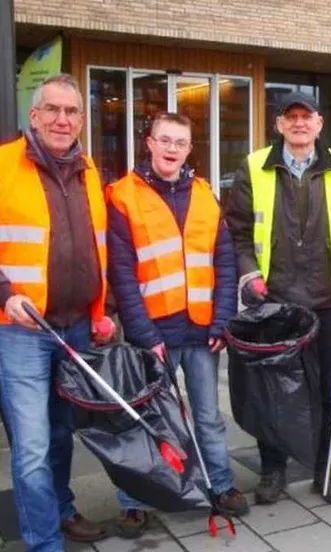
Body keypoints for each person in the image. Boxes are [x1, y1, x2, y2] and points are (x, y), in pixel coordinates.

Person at [107, 112, 249, 538]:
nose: (172, 148)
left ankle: (220, 485)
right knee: (145, 419)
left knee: (208, 417)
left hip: (202, 331)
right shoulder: (123, 196)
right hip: (152, 334)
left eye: (180, 142)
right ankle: (134, 502)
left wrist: (222, 320)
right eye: (165, 140)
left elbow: (224, 262)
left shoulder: (205, 194)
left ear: (189, 149)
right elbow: (122, 274)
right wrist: (143, 333)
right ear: (149, 143)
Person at [224, 91, 331, 505]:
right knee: (272, 391)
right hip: (274, 302)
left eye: (307, 117)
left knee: (327, 390)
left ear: (319, 123)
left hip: (328, 300)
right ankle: (273, 469)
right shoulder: (254, 166)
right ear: (279, 124)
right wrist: (250, 274)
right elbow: (237, 233)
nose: (299, 123)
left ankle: (328, 467)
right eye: (292, 117)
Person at [0, 73, 116, 550]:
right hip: (21, 332)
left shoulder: (88, 170)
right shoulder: (4, 166)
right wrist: (5, 293)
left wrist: (102, 309)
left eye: (71, 112)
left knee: (63, 433)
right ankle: (44, 541)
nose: (61, 120)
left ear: (81, 121)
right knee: (31, 445)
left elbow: (96, 247)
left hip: (78, 328)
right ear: (34, 116)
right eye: (52, 109)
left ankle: (63, 510)